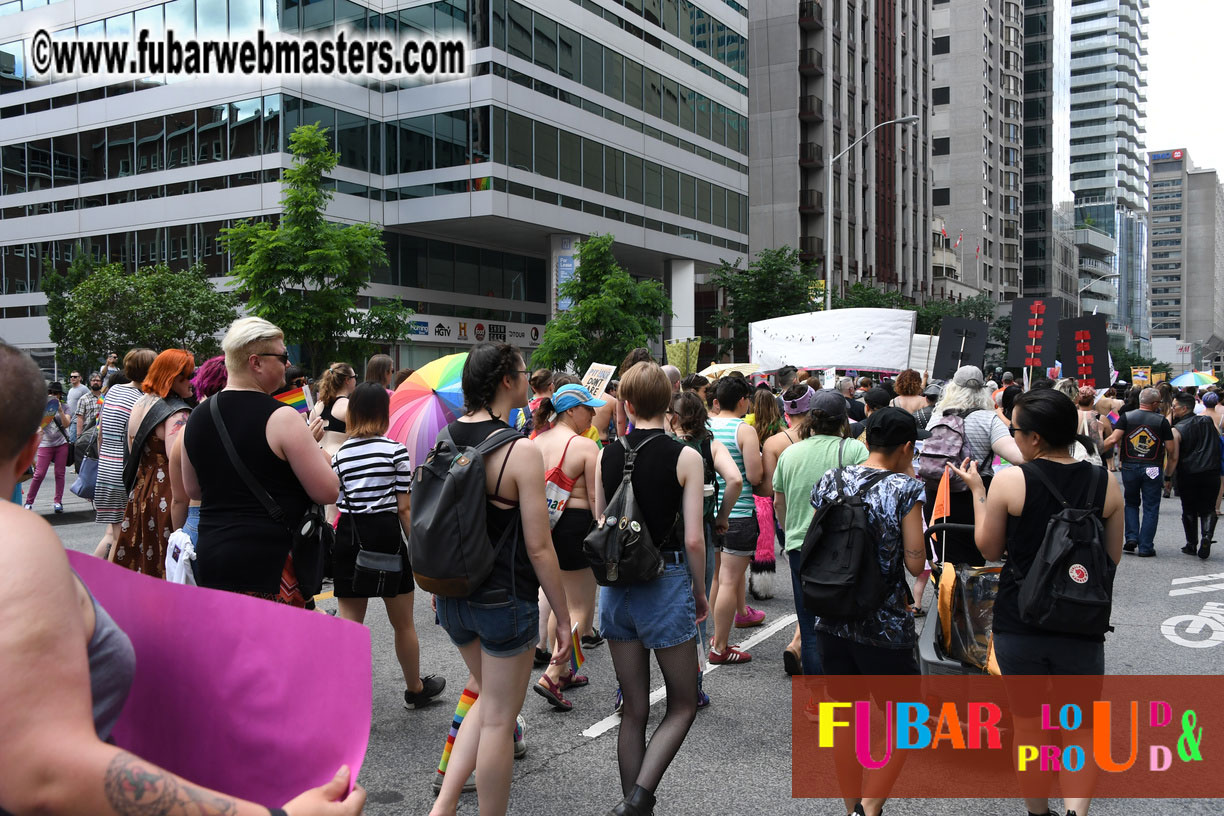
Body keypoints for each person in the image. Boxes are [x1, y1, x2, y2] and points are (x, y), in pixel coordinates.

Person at [0, 342, 367, 816]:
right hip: (266, 554)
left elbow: (189, 489)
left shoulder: (192, 416)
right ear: (32, 450)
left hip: (207, 540)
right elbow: (43, 770)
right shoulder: (17, 543)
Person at [950, 389, 1123, 816]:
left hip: (1020, 619)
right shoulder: (1106, 482)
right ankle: (1076, 813)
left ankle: (1038, 812)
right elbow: (1112, 557)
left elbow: (989, 550)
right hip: (1082, 621)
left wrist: (976, 490)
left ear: (1036, 439)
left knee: (1028, 726)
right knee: (1080, 729)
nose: (1013, 436)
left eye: (1015, 430)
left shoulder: (1012, 478)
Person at [429, 342, 570, 816]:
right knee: (497, 722)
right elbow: (539, 546)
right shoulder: (519, 453)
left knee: (487, 701)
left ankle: (443, 807)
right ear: (507, 381)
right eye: (524, 372)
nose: (529, 379)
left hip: (450, 598)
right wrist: (565, 619)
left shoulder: (441, 439)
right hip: (503, 603)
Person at [594, 361, 707, 816]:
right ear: (671, 401)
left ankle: (633, 803)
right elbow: (695, 538)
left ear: (627, 403)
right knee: (682, 703)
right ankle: (639, 800)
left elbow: (602, 520)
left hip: (616, 586)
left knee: (634, 709)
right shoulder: (686, 456)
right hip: (666, 579)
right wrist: (700, 593)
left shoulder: (606, 453)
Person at [809, 407, 928, 816]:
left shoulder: (831, 478)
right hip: (885, 624)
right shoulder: (904, 489)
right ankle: (871, 807)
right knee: (908, 723)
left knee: (845, 722)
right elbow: (915, 562)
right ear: (907, 446)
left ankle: (851, 807)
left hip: (833, 618)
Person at [182, 317, 339, 607]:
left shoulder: (197, 417)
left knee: (229, 649)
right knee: (276, 650)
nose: (286, 364)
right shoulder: (282, 417)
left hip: (214, 557)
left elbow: (193, 490)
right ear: (255, 362)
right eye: (282, 356)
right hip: (271, 564)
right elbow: (328, 491)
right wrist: (315, 447)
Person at [332, 382, 446, 707]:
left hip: (350, 536)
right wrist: (419, 551)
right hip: (384, 535)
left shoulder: (339, 455)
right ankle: (415, 689)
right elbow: (405, 509)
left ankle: (348, 700)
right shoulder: (395, 450)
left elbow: (337, 502)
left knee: (350, 626)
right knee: (403, 623)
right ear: (384, 412)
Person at [772, 388, 869, 676]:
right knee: (846, 622)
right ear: (843, 421)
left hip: (801, 544)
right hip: (845, 546)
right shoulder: (854, 450)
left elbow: (779, 502)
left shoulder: (790, 454)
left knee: (809, 625)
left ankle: (817, 701)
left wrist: (791, 532)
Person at [528, 383, 605, 711]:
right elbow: (593, 499)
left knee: (560, 602)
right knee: (580, 608)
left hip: (544, 531)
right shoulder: (584, 447)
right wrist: (604, 527)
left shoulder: (534, 442)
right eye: (588, 407)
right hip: (576, 528)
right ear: (571, 410)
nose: (594, 413)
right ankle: (553, 672)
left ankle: (566, 671)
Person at [669, 390, 742, 703]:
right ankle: (694, 684)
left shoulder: (666, 444)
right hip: (703, 529)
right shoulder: (710, 444)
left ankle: (632, 687)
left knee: (660, 608)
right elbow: (735, 480)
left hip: (665, 534)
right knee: (698, 609)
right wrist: (722, 517)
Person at [922, 365, 1025, 566]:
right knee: (973, 560)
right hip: (975, 496)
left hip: (938, 495)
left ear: (952, 388)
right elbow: (1018, 457)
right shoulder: (989, 420)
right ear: (983, 390)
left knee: (944, 558)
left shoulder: (937, 417)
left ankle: (945, 593)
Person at [111, 350, 195, 578]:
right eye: (187, 376)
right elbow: (178, 461)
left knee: (142, 556)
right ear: (171, 377)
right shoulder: (177, 413)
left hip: (141, 490)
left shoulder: (141, 402)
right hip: (167, 493)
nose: (192, 381)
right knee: (168, 563)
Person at [707, 375, 764, 663]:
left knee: (717, 576)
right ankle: (720, 647)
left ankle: (715, 635)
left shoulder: (706, 425)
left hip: (710, 512)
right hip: (739, 513)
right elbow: (753, 476)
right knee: (730, 580)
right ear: (742, 400)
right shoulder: (745, 430)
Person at [93, 348, 157, 558]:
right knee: (123, 539)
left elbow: (100, 432)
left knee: (112, 533)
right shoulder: (141, 400)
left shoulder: (115, 390)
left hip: (105, 470)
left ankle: (90, 580)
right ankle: (108, 587)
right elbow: (134, 443)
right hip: (123, 473)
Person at [1102, 387, 1176, 557]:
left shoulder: (1127, 417)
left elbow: (1113, 439)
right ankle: (1145, 546)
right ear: (1155, 403)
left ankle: (1131, 538)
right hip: (1152, 467)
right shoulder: (1161, 421)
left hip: (1129, 465)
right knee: (1151, 507)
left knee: (1131, 502)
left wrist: (1093, 449)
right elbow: (1171, 448)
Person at [167, 355, 230, 550]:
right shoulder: (253, 422)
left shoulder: (188, 428)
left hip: (197, 520)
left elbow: (178, 499)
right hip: (244, 520)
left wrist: (180, 540)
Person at [1170, 392, 1217, 559]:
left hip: (1188, 473)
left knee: (1189, 509)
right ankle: (1207, 536)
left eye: (1174, 407)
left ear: (1184, 408)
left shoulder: (1177, 429)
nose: (1172, 409)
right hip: (1211, 471)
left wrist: (1168, 476)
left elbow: (1174, 456)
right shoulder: (1207, 421)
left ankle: (1191, 543)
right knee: (1209, 508)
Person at [748, 387, 784, 601]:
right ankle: (761, 586)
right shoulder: (781, 432)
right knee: (765, 540)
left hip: (748, 491)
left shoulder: (747, 428)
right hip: (770, 494)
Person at [24, 381, 71, 513]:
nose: (53, 395)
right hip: (45, 444)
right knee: (39, 474)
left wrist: (60, 411)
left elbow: (66, 424)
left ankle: (58, 501)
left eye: (56, 393)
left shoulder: (65, 407)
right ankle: (29, 502)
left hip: (61, 443)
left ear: (60, 395)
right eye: (50, 393)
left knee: (59, 473)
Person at [615, 348, 654, 437]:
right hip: (654, 429)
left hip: (633, 429)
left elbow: (620, 420)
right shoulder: (653, 382)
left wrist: (622, 441)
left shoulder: (624, 384)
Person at [74, 373, 103, 440]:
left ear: (101, 383)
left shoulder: (105, 398)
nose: (96, 382)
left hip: (101, 432)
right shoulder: (83, 399)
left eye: (98, 380)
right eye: (93, 380)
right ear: (90, 382)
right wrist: (79, 435)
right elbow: (80, 418)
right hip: (87, 433)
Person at [65, 371, 89, 444]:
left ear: (80, 378)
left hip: (77, 420)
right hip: (70, 420)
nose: (72, 378)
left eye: (75, 377)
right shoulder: (70, 390)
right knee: (70, 441)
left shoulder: (84, 389)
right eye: (71, 377)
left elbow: (90, 399)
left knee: (72, 442)